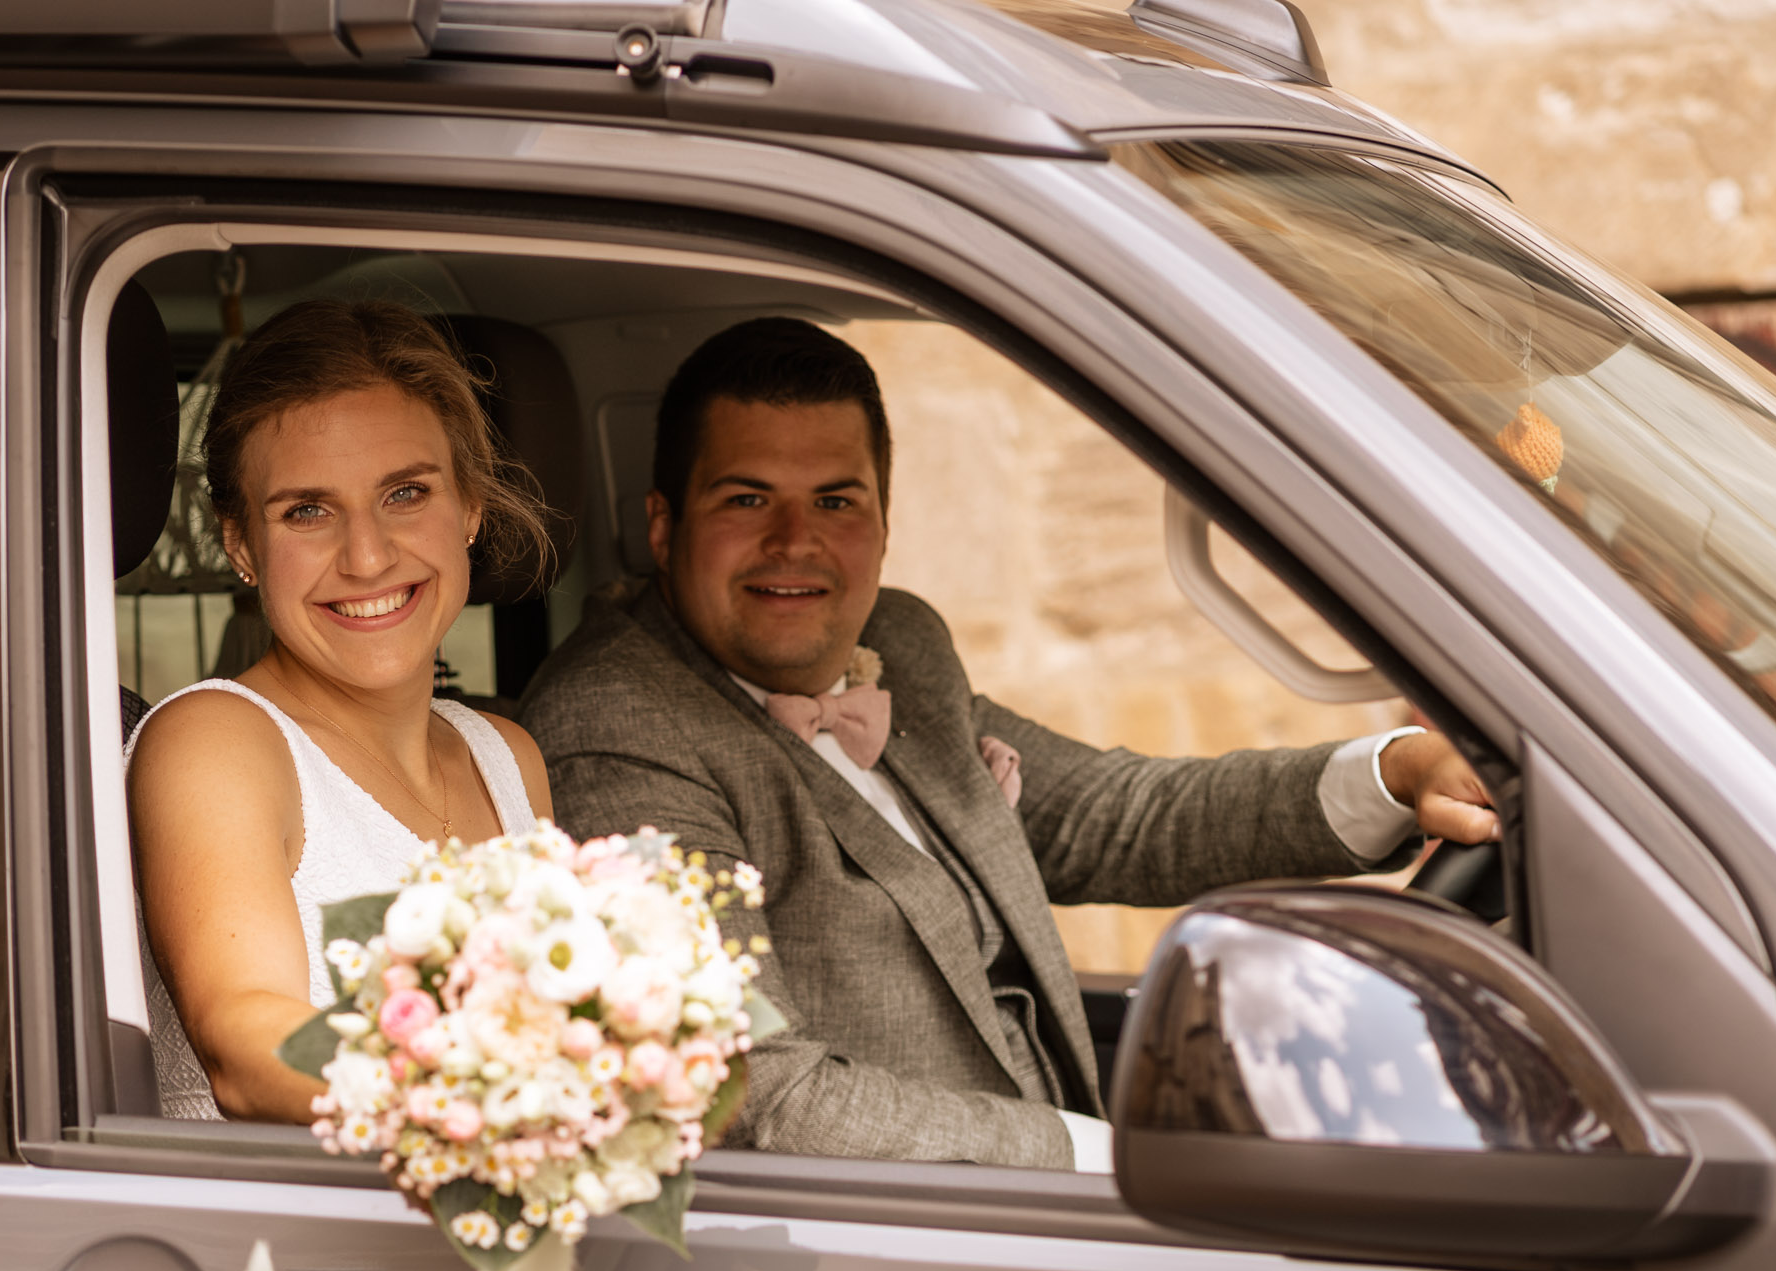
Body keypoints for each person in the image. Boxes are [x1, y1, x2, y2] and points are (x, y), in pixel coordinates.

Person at [519, 317, 1499, 1171]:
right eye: (745, 499)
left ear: (885, 522)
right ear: (661, 526)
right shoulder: (618, 726)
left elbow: (1111, 815)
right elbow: (754, 1090)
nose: (794, 541)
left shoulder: (897, 645)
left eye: (835, 501)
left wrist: (1397, 774)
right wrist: (1099, 1161)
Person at [127, 299, 555, 1123]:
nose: (366, 556)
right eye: (307, 511)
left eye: (405, 493)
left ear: (470, 507)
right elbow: (250, 1040)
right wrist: (519, 1112)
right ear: (242, 544)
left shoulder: (507, 755)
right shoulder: (217, 741)